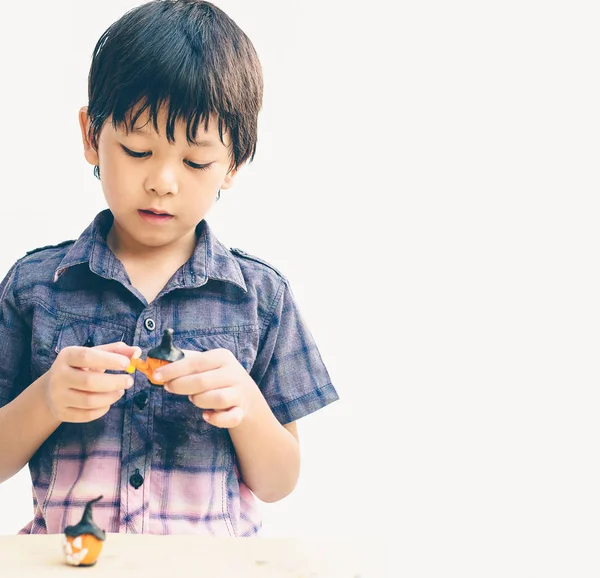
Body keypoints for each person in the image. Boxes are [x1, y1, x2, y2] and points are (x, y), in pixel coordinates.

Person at [0, 0, 338, 537]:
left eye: (196, 161)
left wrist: (246, 407)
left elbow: (279, 482)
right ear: (92, 137)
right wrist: (44, 400)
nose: (162, 181)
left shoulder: (260, 295)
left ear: (234, 163)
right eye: (137, 150)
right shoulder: (35, 286)